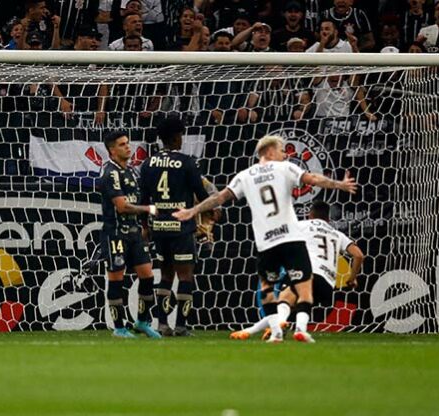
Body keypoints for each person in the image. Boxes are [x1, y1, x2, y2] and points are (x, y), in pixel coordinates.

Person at [172, 135, 357, 343]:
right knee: (304, 288)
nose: (285, 154)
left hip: (266, 243)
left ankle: (276, 333)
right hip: (291, 239)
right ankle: (302, 329)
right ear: (269, 151)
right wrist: (339, 185)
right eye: (281, 150)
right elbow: (313, 179)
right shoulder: (285, 168)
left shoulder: (245, 175)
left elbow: (219, 198)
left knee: (268, 290)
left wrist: (193, 210)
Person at [231, 201, 365, 341]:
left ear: (309, 215)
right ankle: (253, 331)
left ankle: (287, 327)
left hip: (306, 270)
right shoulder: (338, 234)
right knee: (293, 305)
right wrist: (351, 278)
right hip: (326, 283)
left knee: (284, 299)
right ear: (328, 219)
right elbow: (359, 255)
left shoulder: (301, 225)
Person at [140, 117, 208, 337]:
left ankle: (161, 324)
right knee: (185, 276)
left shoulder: (148, 163)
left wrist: (145, 226)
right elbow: (201, 194)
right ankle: (181, 325)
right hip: (182, 227)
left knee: (166, 275)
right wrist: (212, 211)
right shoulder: (187, 162)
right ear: (177, 136)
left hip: (159, 227)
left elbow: (143, 200)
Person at [97, 131, 161, 339]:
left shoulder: (132, 171)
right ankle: (119, 327)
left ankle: (142, 321)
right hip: (115, 234)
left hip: (134, 234)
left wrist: (144, 225)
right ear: (112, 150)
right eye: (122, 144)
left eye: (128, 143)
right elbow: (122, 206)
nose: (128, 147)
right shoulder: (110, 172)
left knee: (147, 276)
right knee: (117, 279)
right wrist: (148, 210)